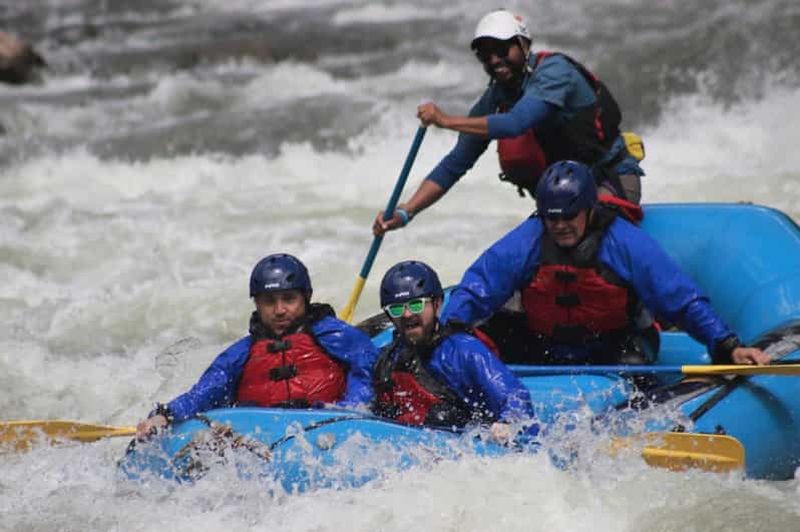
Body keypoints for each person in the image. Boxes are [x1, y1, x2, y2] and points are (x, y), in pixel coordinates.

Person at [439, 160, 771, 368]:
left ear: (588, 209)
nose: (560, 226)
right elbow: (479, 286)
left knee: (631, 363)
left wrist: (727, 345)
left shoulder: (625, 243)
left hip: (615, 345)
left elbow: (679, 299)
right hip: (546, 343)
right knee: (480, 339)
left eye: (569, 216)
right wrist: (446, 333)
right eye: (551, 218)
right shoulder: (528, 240)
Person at [374, 9, 644, 236]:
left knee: (588, 249)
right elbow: (455, 164)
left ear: (524, 45)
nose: (494, 60)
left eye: (502, 49)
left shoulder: (555, 73)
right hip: (563, 198)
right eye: (485, 55)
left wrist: (445, 120)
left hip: (610, 178)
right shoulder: (497, 96)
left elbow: (516, 123)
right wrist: (405, 212)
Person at [136, 253, 378, 439]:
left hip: (328, 431)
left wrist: (352, 409)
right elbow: (205, 391)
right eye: (269, 302)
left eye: (289, 299)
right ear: (257, 304)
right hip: (263, 439)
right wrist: (165, 415)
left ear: (306, 297)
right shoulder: (241, 353)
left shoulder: (332, 333)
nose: (280, 310)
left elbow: (367, 365)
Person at [371, 260, 537, 443]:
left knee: (443, 416)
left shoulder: (465, 352)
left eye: (416, 305)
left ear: (437, 304)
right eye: (396, 309)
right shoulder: (387, 360)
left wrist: (507, 422)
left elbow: (515, 397)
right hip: (417, 450)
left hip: (466, 449)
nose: (407, 314)